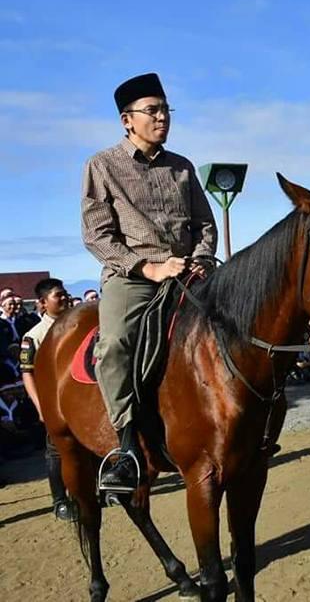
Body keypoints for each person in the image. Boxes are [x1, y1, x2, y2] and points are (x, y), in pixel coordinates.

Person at [81, 72, 217, 493]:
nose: (162, 118)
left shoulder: (183, 167)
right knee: (116, 343)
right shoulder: (102, 165)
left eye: (165, 110)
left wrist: (198, 260)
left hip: (189, 271)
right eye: (152, 111)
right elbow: (97, 235)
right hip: (133, 278)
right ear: (127, 119)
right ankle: (125, 448)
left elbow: (205, 224)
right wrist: (150, 268)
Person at [18, 278, 77, 521]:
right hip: (53, 403)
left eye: (65, 294)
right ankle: (60, 500)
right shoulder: (34, 336)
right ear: (42, 303)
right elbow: (27, 373)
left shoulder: (77, 325)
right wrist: (40, 407)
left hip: (77, 400)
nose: (64, 298)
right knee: (56, 452)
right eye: (57, 295)